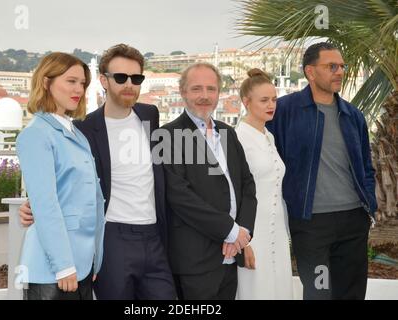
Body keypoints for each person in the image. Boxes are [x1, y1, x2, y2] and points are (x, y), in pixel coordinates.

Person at [20, 44, 176, 300]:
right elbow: (57, 184)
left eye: (136, 78)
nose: (129, 84)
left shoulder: (150, 115)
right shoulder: (82, 129)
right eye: (120, 77)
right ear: (104, 80)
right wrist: (34, 204)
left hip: (154, 236)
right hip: (112, 239)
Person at [267, 42, 377, 300]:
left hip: (353, 220)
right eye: (331, 66)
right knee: (319, 292)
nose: (339, 71)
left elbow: (366, 166)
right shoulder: (284, 111)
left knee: (351, 292)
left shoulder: (353, 115)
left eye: (341, 66)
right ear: (310, 72)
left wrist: (369, 206)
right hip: (311, 223)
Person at [161, 62, 257, 300]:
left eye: (211, 89)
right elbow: (179, 196)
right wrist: (229, 230)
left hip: (231, 254)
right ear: (182, 92)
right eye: (196, 89)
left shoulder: (227, 133)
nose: (205, 96)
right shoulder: (167, 136)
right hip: (196, 261)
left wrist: (242, 232)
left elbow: (247, 185)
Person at [16, 52, 105, 300]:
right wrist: (64, 265)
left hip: (84, 265)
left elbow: (90, 199)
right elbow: (45, 205)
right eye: (71, 81)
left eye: (83, 83)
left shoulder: (77, 134)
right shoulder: (36, 134)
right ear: (46, 82)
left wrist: (94, 258)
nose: (79, 89)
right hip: (53, 271)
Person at [235, 69, 293, 300]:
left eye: (274, 99)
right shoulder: (237, 138)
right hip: (251, 232)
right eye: (264, 100)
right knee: (255, 290)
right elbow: (234, 193)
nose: (271, 105)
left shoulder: (269, 136)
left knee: (279, 290)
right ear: (246, 102)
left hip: (278, 230)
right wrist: (242, 242)